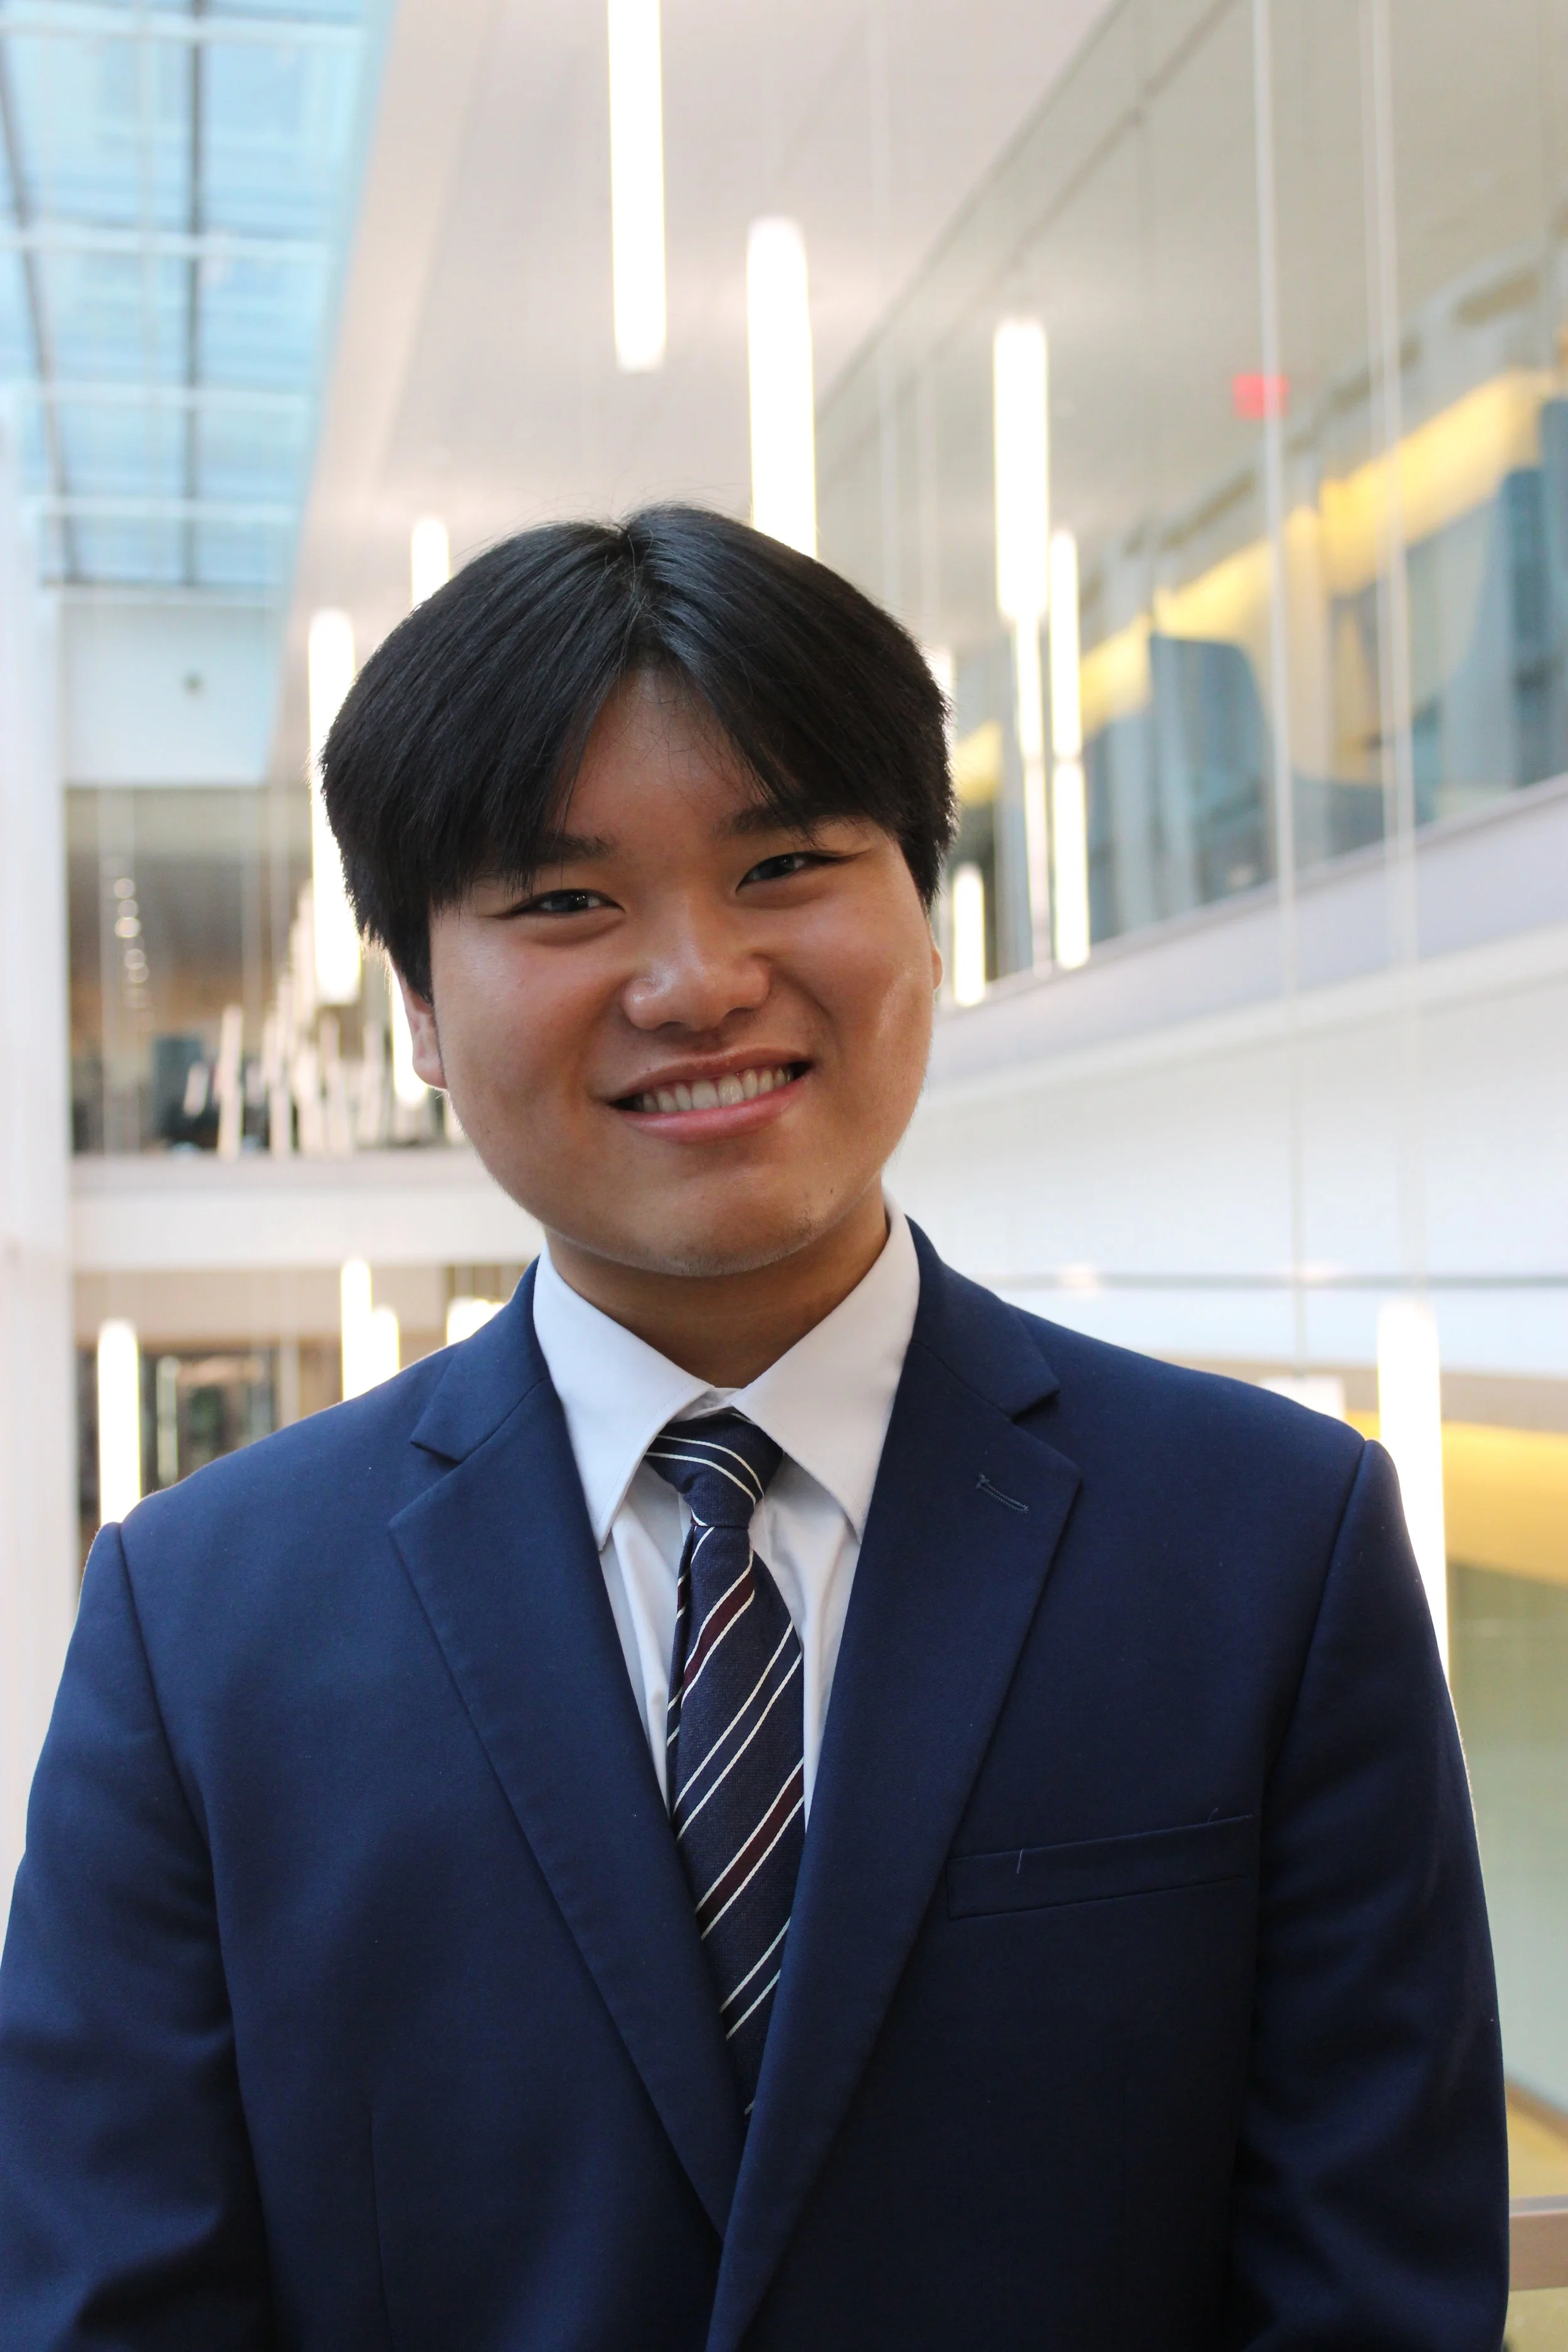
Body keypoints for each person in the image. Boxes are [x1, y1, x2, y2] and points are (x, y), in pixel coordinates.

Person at [0, 507, 1507, 2349]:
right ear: (412, 1000)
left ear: (922, 912)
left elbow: (1372, 2292)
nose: (694, 980)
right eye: (565, 902)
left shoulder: (1268, 1541)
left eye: (785, 861)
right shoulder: (200, 1618)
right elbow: (110, 2305)